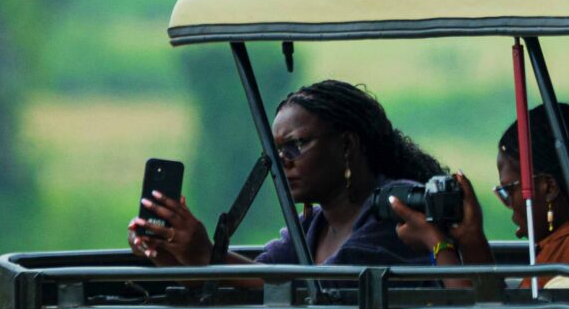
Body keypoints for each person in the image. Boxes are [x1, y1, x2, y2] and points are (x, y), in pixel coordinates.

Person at [129, 78, 492, 269]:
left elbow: (325, 285)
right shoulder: (314, 225)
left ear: (347, 146)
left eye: (297, 145)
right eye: (276, 152)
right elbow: (258, 277)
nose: (283, 161)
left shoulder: (394, 206)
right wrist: (171, 255)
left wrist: (207, 255)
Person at [495, 102, 569, 268]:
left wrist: (443, 247)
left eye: (507, 191)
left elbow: (492, 296)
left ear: (548, 187)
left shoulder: (565, 252)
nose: (510, 207)